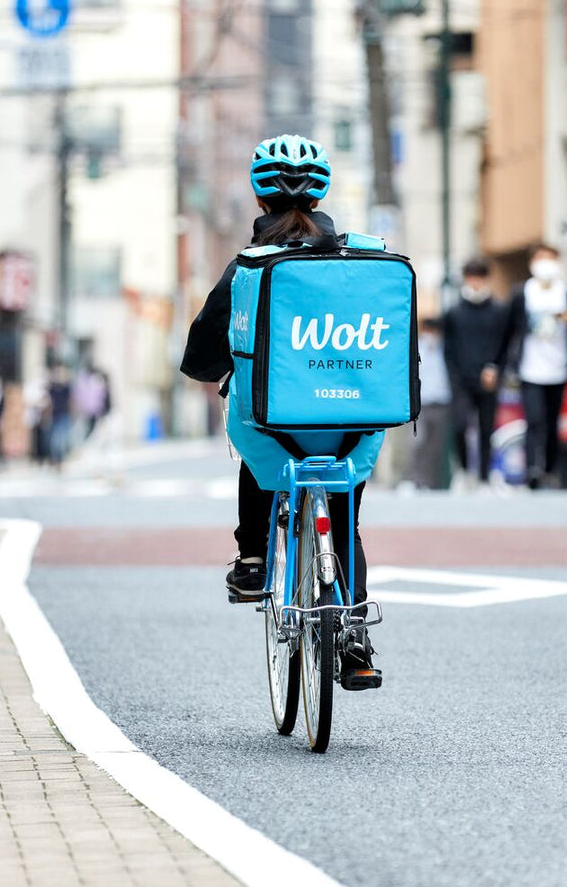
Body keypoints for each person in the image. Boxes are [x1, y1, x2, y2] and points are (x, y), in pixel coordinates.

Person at [179, 134, 381, 688]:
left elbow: (203, 351)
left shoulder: (251, 266)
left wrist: (208, 369)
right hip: (351, 426)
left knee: (259, 450)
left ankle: (252, 558)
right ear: (321, 195)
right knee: (344, 520)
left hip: (274, 429)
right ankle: (356, 636)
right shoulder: (359, 257)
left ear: (259, 197)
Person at [503, 244, 567, 489]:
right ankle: (532, 470)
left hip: (559, 368)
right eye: (541, 259)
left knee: (552, 421)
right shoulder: (522, 293)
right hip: (530, 368)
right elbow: (509, 330)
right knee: (534, 420)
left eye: (551, 259)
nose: (546, 264)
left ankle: (551, 468)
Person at [442, 258, 510, 484]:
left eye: (480, 277)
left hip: (488, 378)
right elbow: (448, 349)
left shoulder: (499, 310)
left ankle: (483, 475)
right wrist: (454, 379)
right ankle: (463, 470)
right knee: (460, 424)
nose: (476, 282)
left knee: (486, 428)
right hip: (461, 380)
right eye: (472, 277)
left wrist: (496, 368)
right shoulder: (454, 311)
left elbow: (505, 344)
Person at [410, 315, 453, 490]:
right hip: (422, 403)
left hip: (442, 401)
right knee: (418, 443)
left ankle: (434, 483)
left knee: (436, 446)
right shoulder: (417, 349)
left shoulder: (446, 349)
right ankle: (417, 480)